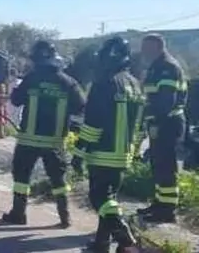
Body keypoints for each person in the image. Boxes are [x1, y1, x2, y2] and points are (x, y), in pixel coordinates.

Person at [0, 40, 85, 228]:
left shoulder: (31, 78)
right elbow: (80, 106)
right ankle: (65, 217)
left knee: (22, 177)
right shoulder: (68, 82)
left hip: (28, 139)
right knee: (58, 179)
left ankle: (18, 213)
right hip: (55, 141)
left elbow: (15, 100)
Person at [74, 36, 145, 253]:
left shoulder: (104, 83)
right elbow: (140, 121)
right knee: (110, 199)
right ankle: (101, 244)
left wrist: (78, 152)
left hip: (102, 152)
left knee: (99, 198)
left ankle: (125, 238)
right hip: (124, 151)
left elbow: (93, 122)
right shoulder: (134, 84)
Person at [137, 34, 188, 224]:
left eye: (146, 47)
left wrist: (153, 119)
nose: (143, 52)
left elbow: (166, 103)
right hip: (159, 123)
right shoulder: (156, 67)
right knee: (158, 165)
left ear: (157, 47)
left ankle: (167, 211)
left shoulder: (168, 68)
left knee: (166, 167)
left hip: (168, 123)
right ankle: (159, 204)